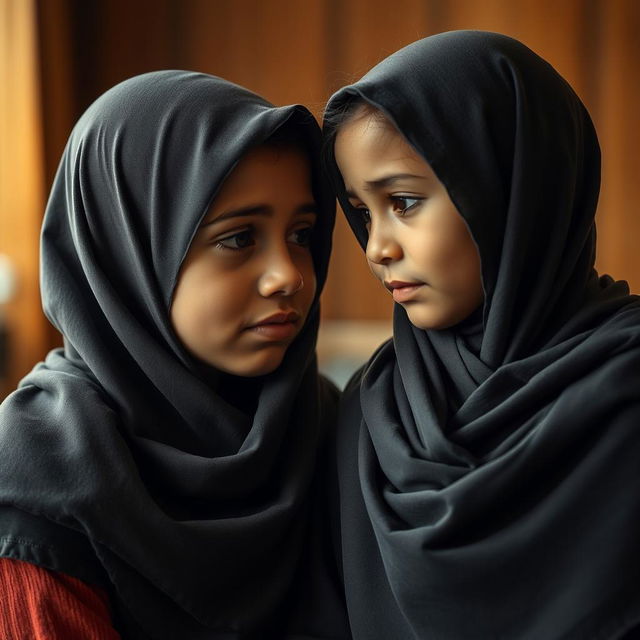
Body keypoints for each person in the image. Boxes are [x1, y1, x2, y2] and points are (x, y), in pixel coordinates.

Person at [0, 71, 348, 638]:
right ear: (127, 249)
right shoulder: (36, 485)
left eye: (302, 235)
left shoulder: (325, 426)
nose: (289, 276)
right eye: (238, 238)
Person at [322, 30, 640, 639]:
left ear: (511, 187)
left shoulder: (624, 383)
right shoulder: (372, 410)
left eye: (405, 202)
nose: (377, 248)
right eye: (363, 213)